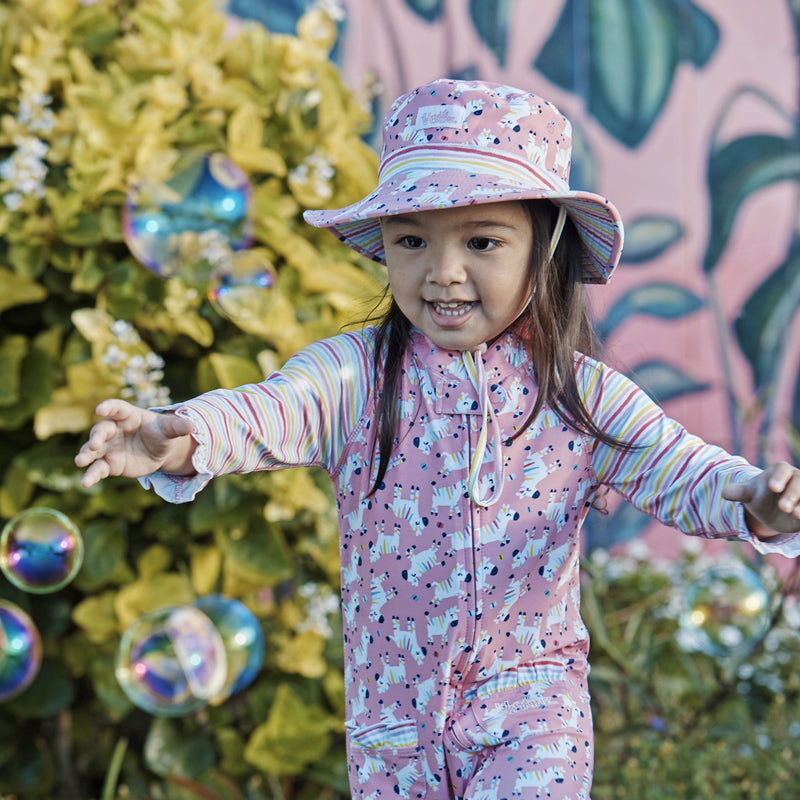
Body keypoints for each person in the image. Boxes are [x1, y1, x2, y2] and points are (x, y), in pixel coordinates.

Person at [76, 79, 800, 800]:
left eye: (482, 241)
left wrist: (756, 498)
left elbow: (680, 469)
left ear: (544, 248)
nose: (443, 272)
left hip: (533, 712)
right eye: (413, 240)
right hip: (393, 726)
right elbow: (274, 408)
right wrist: (185, 435)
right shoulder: (356, 377)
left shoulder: (580, 397)